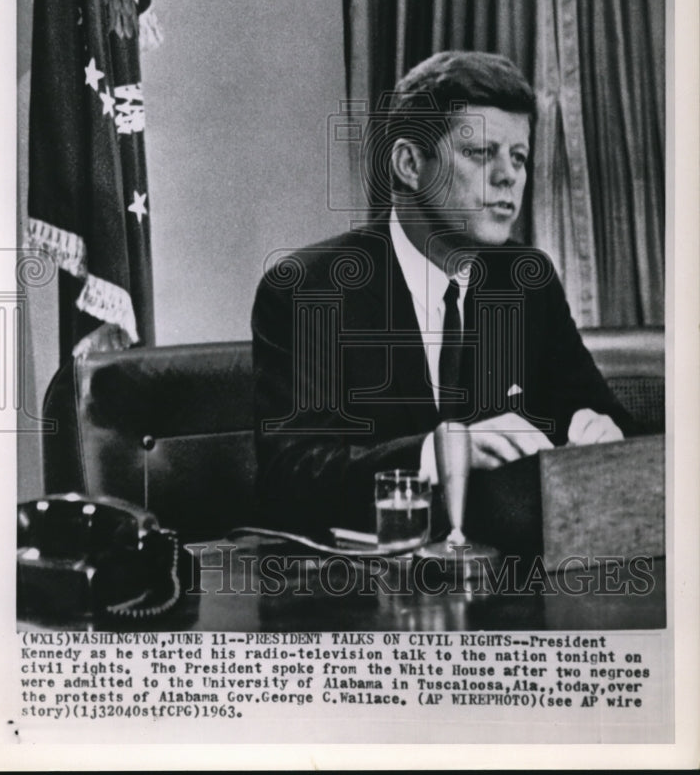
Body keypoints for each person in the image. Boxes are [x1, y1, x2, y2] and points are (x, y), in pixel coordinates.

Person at [251, 51, 631, 538]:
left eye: (518, 157)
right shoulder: (309, 289)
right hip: (360, 592)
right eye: (479, 153)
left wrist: (599, 431)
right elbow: (291, 478)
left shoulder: (526, 279)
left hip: (504, 584)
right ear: (410, 163)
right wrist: (442, 450)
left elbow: (605, 416)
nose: (508, 176)